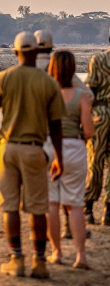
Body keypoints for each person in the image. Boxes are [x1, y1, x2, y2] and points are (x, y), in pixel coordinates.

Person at [0, 31, 66, 279]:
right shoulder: (48, 82)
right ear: (37, 52)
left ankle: (16, 258)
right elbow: (56, 125)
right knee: (38, 208)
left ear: (16, 52)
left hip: (7, 148)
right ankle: (39, 262)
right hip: (34, 149)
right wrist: (59, 157)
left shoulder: (3, 78)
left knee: (10, 207)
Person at [34, 29, 94, 239]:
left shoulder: (27, 67)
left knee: (49, 196)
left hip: (40, 140)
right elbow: (88, 94)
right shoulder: (58, 66)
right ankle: (71, 229)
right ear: (51, 46)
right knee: (72, 195)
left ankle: (50, 247)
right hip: (70, 141)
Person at [45, 51, 94, 269]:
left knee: (52, 204)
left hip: (50, 149)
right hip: (75, 148)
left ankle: (56, 253)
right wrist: (77, 138)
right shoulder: (81, 96)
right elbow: (90, 131)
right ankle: (80, 256)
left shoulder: (47, 94)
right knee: (74, 205)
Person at [84, 29, 110, 226]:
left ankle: (89, 208)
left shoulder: (98, 60)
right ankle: (108, 211)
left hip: (100, 114)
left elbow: (90, 90)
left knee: (95, 161)